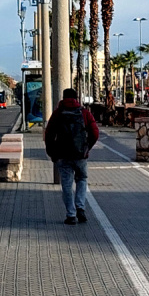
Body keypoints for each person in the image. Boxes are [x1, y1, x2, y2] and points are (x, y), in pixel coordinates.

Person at [44, 88, 99, 225]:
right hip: (80, 154)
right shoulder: (84, 113)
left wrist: (52, 153)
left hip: (62, 155)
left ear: (63, 98)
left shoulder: (57, 114)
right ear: (76, 98)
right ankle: (80, 207)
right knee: (81, 179)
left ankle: (71, 215)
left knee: (67, 185)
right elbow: (95, 133)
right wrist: (87, 148)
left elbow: (49, 135)